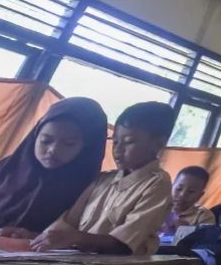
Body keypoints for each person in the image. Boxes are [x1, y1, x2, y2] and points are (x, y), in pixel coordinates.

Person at [0, 97, 108, 236]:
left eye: (68, 144)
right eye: (46, 140)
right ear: (35, 136)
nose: (52, 150)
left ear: (87, 147)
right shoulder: (1, 173)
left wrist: (32, 238)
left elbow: (86, 239)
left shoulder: (91, 192)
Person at [31, 101, 176, 255]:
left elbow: (123, 244)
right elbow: (67, 224)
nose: (118, 149)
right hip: (78, 262)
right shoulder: (103, 180)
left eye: (129, 142)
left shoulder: (157, 183)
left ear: (158, 144)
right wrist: (36, 238)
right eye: (115, 142)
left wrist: (76, 238)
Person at [159, 165, 216, 239]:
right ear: (171, 187)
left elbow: (206, 242)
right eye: (179, 189)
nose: (182, 195)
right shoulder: (159, 208)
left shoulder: (203, 216)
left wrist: (187, 231)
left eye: (191, 192)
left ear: (200, 195)